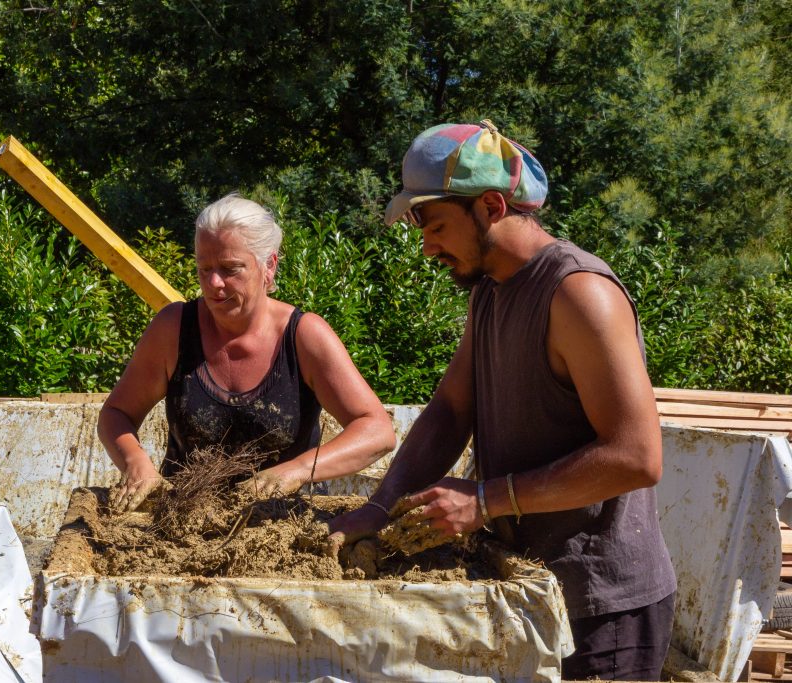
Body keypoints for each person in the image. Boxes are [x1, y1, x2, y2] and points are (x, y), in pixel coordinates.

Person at [328, 121, 677, 681]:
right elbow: (449, 410)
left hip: (603, 610)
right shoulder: (491, 290)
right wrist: (379, 505)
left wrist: (486, 500)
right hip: (528, 589)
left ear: (490, 205)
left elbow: (638, 457)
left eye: (436, 225)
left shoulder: (579, 293)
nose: (427, 247)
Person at [98, 192, 395, 512]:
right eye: (204, 268)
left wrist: (295, 471)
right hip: (184, 521)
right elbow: (116, 415)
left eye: (230, 269)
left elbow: (376, 431)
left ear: (269, 266)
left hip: (283, 525)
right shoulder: (173, 329)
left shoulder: (304, 337)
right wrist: (137, 464)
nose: (214, 283)